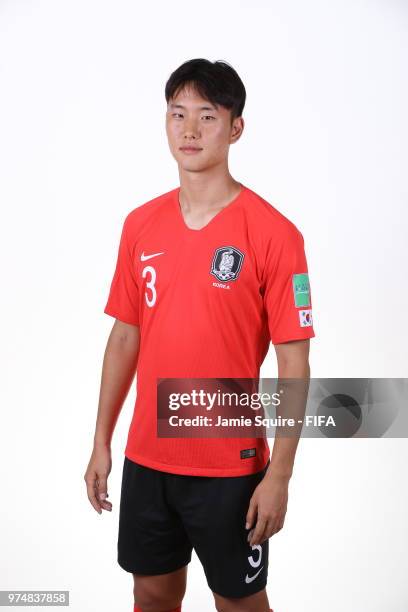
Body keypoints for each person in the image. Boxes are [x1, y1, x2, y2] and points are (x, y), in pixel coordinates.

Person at [84, 58, 315, 612]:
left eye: (207, 116)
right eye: (177, 114)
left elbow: (294, 365)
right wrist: (101, 441)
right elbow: (124, 336)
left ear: (235, 127)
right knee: (152, 594)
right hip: (147, 459)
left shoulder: (275, 235)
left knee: (239, 602)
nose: (189, 130)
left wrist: (278, 474)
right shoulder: (140, 224)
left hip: (229, 468)